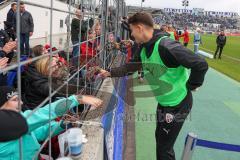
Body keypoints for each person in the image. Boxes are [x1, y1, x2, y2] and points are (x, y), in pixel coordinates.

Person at [98, 12, 208, 160]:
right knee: (161, 141)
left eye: (131, 30)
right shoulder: (143, 49)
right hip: (164, 103)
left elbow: (200, 64)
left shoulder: (166, 46)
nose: (131, 34)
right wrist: (109, 73)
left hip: (178, 104)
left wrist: (192, 84)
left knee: (164, 149)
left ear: (139, 28)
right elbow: (130, 67)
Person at [0, 86, 103, 159]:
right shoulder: (4, 126)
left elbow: (39, 133)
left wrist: (63, 124)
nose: (21, 103)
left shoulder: (19, 121)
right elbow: (42, 113)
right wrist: (76, 99)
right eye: (15, 100)